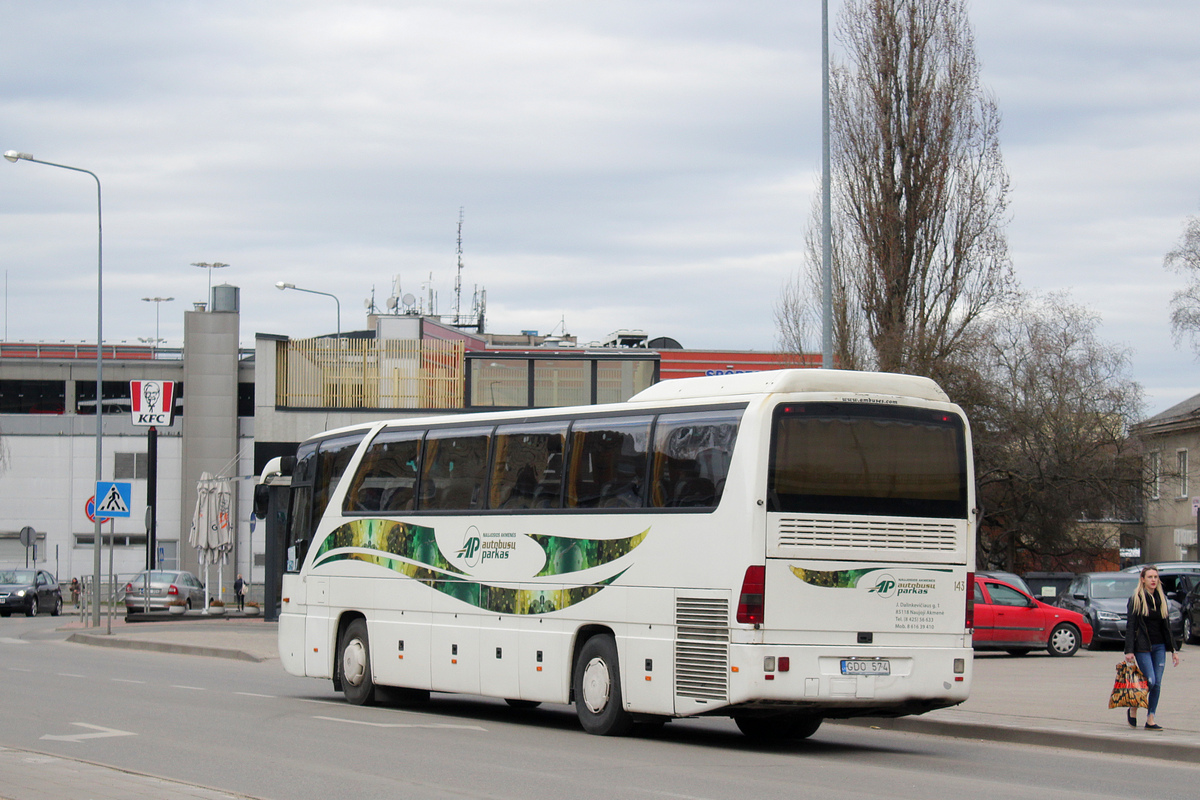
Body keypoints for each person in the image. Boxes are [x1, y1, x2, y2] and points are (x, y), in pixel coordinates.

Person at [1124, 566, 1181, 730]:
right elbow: (1131, 626)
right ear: (1143, 579)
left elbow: (1167, 628)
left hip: (1159, 647)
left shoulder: (1161, 599)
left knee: (1157, 684)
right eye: (1150, 577)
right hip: (1142, 647)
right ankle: (1133, 706)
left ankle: (1150, 718)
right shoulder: (1136, 599)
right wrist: (1129, 650)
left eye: (1155, 577)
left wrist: (1174, 651)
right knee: (1150, 680)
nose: (1153, 580)